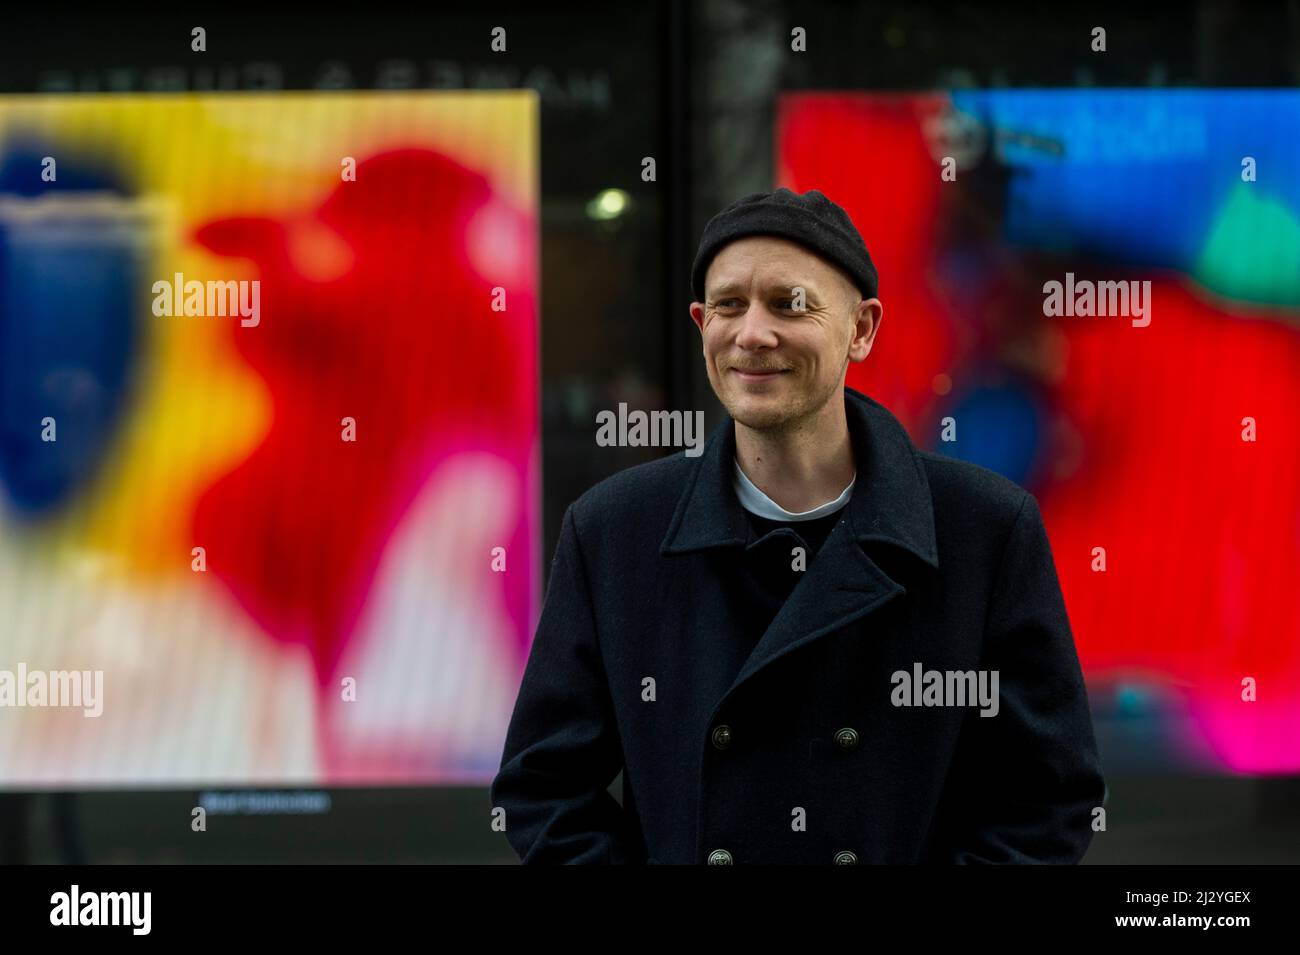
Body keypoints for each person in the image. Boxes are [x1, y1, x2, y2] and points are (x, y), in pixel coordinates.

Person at [491, 187, 1105, 864]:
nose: (752, 333)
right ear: (700, 323)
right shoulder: (614, 531)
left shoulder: (984, 529)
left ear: (863, 328)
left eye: (791, 303)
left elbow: (1048, 798)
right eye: (729, 304)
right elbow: (542, 787)